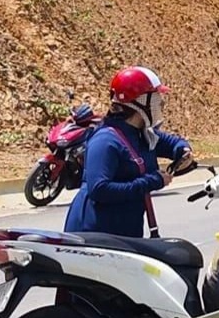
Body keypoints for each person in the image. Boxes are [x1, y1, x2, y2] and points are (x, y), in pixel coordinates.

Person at [65, 65, 193, 238]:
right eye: (155, 97)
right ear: (140, 102)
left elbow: (171, 143)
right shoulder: (106, 141)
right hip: (96, 236)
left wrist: (183, 150)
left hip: (124, 234)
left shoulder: (141, 133)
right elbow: (100, 189)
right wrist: (153, 181)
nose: (160, 103)